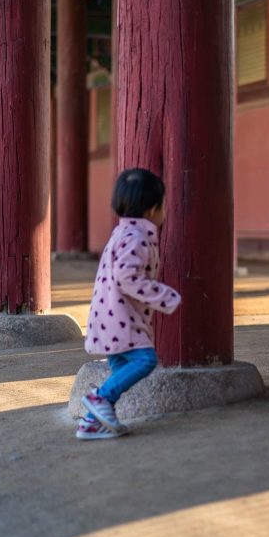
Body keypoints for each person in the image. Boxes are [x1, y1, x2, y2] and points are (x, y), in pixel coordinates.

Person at [77, 168, 181, 440]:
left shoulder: (123, 233)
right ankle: (99, 398)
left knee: (122, 368)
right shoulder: (136, 238)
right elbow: (127, 277)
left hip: (110, 315)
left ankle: (91, 423)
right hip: (121, 317)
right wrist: (164, 296)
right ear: (152, 209)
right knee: (146, 360)